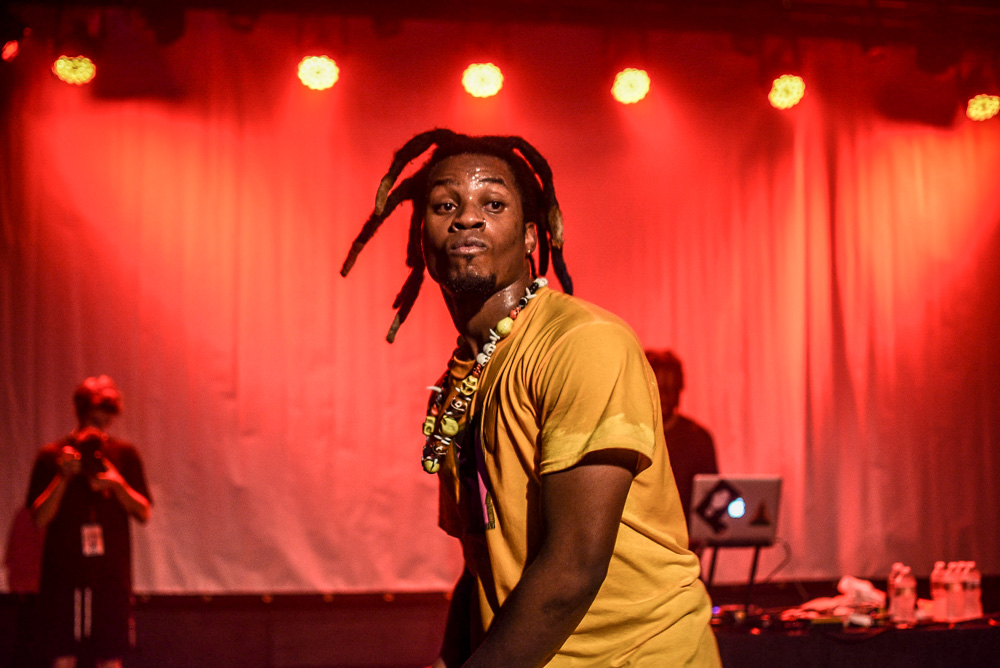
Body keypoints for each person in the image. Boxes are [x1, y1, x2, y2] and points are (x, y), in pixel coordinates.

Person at [342, 129, 719, 667]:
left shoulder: (583, 342)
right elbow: (483, 563)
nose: (466, 218)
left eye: (492, 203)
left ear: (528, 237)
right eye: (445, 204)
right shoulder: (460, 381)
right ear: (421, 239)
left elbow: (574, 566)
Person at [26, 375, 152, 668]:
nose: (103, 417)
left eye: (108, 408)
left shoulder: (124, 455)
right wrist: (63, 477)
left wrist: (117, 484)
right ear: (81, 409)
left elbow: (143, 512)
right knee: (63, 654)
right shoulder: (52, 456)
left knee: (110, 654)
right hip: (63, 573)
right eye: (98, 407)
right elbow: (40, 517)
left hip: (110, 574)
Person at [644, 350, 719, 525]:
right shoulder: (630, 435)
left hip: (684, 541)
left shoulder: (698, 438)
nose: (665, 396)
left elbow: (712, 499)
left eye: (671, 388)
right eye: (660, 389)